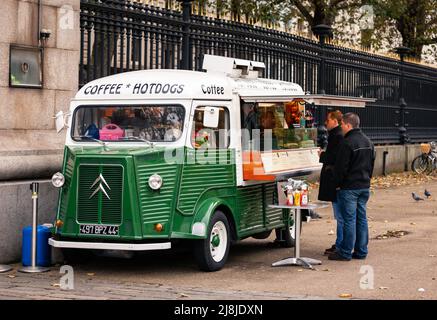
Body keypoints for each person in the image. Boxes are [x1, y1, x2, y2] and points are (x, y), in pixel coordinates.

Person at [329, 113, 375, 261]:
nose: (341, 127)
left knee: (349, 219)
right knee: (361, 218)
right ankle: (361, 251)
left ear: (348, 125)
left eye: (342, 124)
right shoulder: (368, 142)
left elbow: (341, 168)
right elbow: (372, 164)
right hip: (364, 186)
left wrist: (337, 184)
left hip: (349, 187)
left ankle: (345, 252)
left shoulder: (347, 143)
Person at [317, 110, 344, 256]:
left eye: (328, 120)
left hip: (335, 181)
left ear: (334, 120)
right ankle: (339, 243)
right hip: (335, 180)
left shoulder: (337, 136)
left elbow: (334, 157)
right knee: (340, 216)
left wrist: (323, 155)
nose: (325, 123)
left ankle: (340, 244)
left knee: (340, 216)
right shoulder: (336, 135)